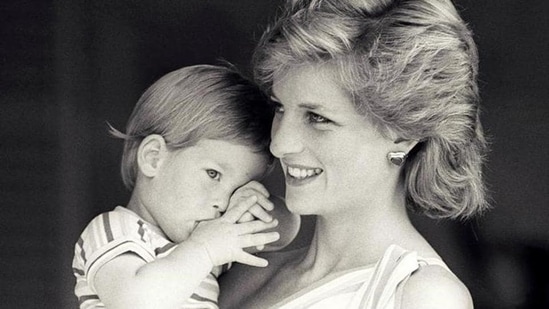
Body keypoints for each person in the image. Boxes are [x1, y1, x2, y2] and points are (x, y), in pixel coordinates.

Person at [218, 0, 489, 308]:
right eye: (280, 107)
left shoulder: (422, 295)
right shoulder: (249, 274)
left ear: (403, 135)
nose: (279, 144)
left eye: (318, 118)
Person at [72, 64, 300, 309]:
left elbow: (281, 232)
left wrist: (250, 206)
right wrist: (204, 250)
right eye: (213, 174)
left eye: (236, 189)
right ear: (153, 158)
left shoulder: (208, 240)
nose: (223, 203)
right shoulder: (114, 231)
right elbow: (135, 303)